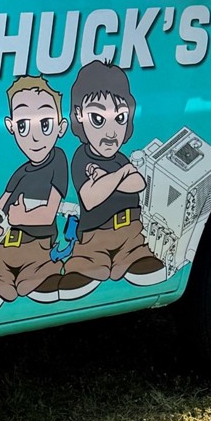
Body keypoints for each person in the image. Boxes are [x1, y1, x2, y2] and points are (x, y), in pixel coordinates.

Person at [0, 75, 69, 325]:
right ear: (11, 126)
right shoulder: (20, 172)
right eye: (23, 126)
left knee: (40, 277)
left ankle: (41, 279)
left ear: (61, 127)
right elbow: (1, 205)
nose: (35, 137)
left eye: (45, 125)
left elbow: (49, 213)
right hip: (5, 247)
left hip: (37, 245)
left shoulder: (57, 160)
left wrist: (21, 217)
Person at [58, 59, 164, 299]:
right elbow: (91, 198)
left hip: (131, 233)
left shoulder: (120, 158)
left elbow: (139, 183)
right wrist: (120, 176)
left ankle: (132, 258)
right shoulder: (80, 158)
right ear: (78, 115)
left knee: (140, 260)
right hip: (95, 235)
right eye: (98, 118)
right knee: (84, 266)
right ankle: (89, 266)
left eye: (120, 118)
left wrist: (107, 179)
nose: (110, 132)